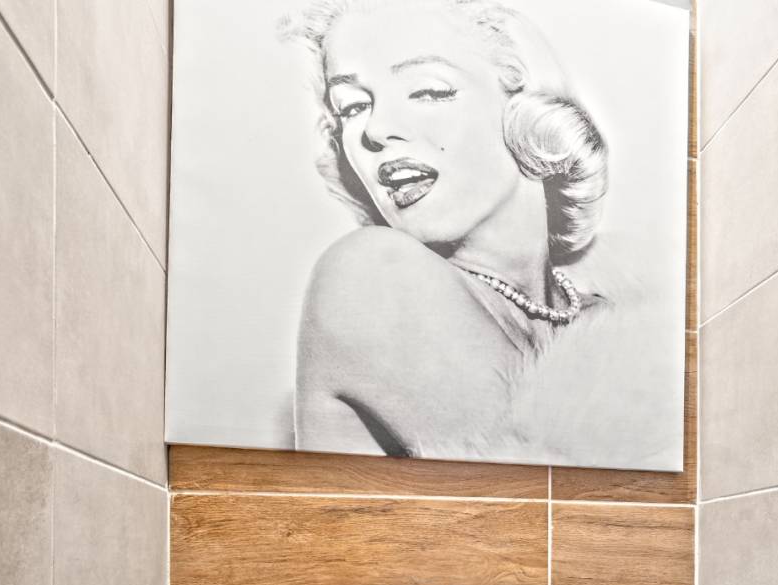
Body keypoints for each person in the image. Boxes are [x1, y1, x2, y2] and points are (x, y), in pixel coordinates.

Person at [284, 0, 673, 466]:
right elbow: (552, 481)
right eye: (352, 106)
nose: (376, 129)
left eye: (428, 91)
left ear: (524, 104)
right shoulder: (370, 275)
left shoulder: (615, 319)